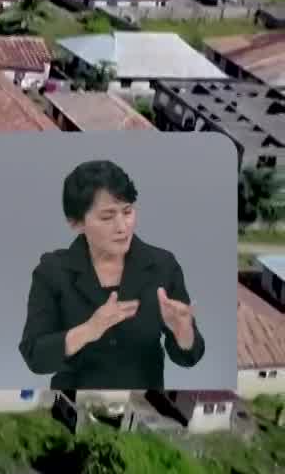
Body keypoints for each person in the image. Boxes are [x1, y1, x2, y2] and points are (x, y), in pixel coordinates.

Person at [18, 159, 204, 391]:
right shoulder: (52, 272)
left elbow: (190, 356)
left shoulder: (163, 266)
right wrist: (89, 330)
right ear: (76, 223)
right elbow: (35, 355)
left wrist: (183, 331)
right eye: (107, 217)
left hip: (143, 407)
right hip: (74, 406)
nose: (122, 227)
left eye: (127, 212)